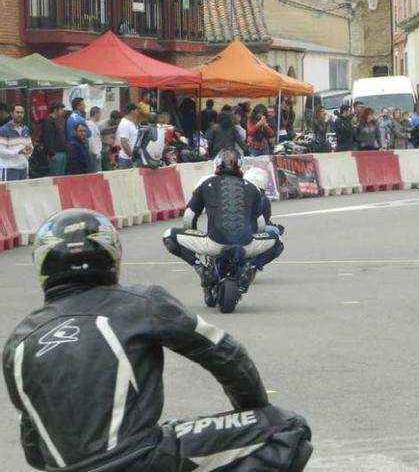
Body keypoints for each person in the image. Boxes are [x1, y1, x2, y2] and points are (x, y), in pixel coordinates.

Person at [3, 208, 312, 471]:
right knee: (286, 428)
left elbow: (34, 446)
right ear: (111, 254)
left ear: (42, 263)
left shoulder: (18, 341)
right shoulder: (142, 301)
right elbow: (225, 354)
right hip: (142, 459)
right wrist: (253, 411)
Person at [163, 150, 285, 294]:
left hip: (213, 243)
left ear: (216, 165)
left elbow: (189, 218)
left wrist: (195, 240)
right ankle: (251, 268)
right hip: (246, 244)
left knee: (168, 235)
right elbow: (260, 225)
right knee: (278, 240)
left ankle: (200, 268)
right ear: (241, 167)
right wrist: (252, 248)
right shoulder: (253, 188)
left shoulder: (206, 183)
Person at [244, 167, 285, 239]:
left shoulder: (236, 194)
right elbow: (264, 220)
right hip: (250, 231)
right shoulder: (263, 199)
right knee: (275, 231)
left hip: (230, 230)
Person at [0, 105, 33, 181]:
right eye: (17, 112)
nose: (20, 115)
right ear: (11, 114)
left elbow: (30, 147)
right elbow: (1, 151)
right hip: (9, 169)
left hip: (23, 168)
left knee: (23, 192)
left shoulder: (26, 129)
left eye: (22, 112)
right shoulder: (3, 130)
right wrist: (19, 151)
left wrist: (29, 151)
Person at [42, 102, 67, 176]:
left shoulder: (55, 121)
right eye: (61, 109)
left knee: (61, 175)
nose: (62, 111)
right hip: (56, 153)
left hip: (61, 152)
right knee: (56, 175)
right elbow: (48, 138)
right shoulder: (49, 122)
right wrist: (51, 153)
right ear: (55, 110)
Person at [115, 103, 140, 169]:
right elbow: (124, 142)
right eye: (136, 110)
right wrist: (131, 156)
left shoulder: (131, 122)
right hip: (126, 159)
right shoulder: (125, 124)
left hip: (130, 158)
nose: (138, 112)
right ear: (132, 111)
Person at [86, 106, 103, 172]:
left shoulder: (93, 124)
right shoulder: (90, 125)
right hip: (95, 154)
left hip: (96, 153)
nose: (100, 116)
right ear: (96, 113)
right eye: (100, 114)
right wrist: (96, 152)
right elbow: (91, 140)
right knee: (97, 173)